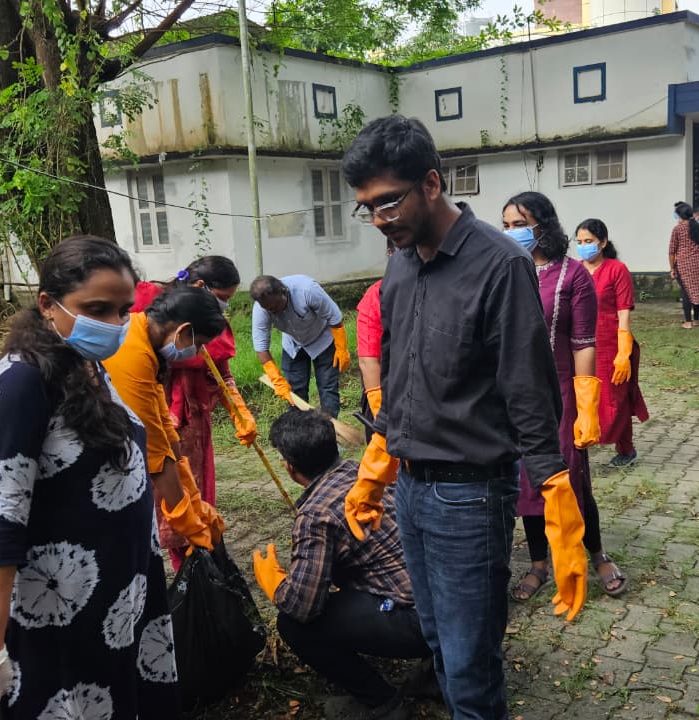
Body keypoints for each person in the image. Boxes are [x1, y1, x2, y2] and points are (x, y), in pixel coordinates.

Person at [340, 115, 587, 720]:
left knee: (471, 662)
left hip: (469, 496)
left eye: (388, 201)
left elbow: (528, 389)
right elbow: (400, 376)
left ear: (431, 182)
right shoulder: (400, 264)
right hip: (411, 491)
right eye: (367, 208)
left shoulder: (499, 265)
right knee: (437, 643)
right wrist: (376, 464)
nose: (379, 219)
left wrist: (556, 493)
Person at [0, 236, 180, 718]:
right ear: (46, 305)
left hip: (119, 592)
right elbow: (2, 512)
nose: (114, 324)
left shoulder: (86, 364)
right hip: (62, 605)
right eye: (96, 309)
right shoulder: (20, 384)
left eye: (122, 310)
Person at [252, 410, 431, 720]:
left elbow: (303, 606)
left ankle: (384, 702)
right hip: (447, 603)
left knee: (293, 625)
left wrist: (276, 585)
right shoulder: (366, 474)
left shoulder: (316, 514)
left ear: (290, 467)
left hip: (417, 621)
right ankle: (437, 672)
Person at [501, 192, 625, 602]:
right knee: (528, 480)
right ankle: (539, 563)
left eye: (520, 225)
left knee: (571, 477)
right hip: (515, 396)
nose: (512, 232)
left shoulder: (573, 276)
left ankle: (596, 553)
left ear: (544, 225)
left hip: (562, 393)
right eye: (507, 226)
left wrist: (586, 404)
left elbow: (584, 342)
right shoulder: (505, 270)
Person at [103, 284, 232, 571]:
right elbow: (153, 450)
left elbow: (162, 422)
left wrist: (193, 497)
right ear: (183, 331)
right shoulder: (133, 352)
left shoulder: (143, 337)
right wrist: (187, 521)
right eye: (199, 345)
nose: (198, 352)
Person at [131, 257, 255, 540]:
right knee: (156, 486)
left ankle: (192, 547)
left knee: (194, 485)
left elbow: (222, 373)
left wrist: (239, 411)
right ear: (200, 286)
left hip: (192, 420)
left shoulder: (211, 323)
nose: (225, 306)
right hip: (149, 409)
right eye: (223, 298)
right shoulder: (148, 308)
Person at [575, 219, 650, 469]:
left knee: (615, 397)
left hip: (610, 341)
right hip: (579, 342)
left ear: (603, 242)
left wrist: (624, 349)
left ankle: (625, 449)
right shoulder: (575, 270)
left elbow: (624, 310)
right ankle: (578, 443)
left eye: (588, 241)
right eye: (579, 242)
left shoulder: (617, 269)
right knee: (580, 395)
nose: (583, 246)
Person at [252, 274, 350, 418]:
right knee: (294, 392)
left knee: (327, 388)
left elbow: (334, 317)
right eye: (269, 309)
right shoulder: (262, 308)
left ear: (284, 292)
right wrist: (275, 378)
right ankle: (299, 428)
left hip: (322, 339)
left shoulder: (307, 290)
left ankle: (329, 427)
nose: (274, 311)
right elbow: (261, 346)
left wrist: (341, 348)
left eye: (276, 306)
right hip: (293, 344)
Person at [356, 241, 396, 437]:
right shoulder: (376, 295)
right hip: (385, 383)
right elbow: (368, 360)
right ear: (391, 253)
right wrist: (380, 413)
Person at [670, 202, 699, 329]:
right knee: (697, 290)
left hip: (684, 264)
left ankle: (688, 321)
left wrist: (671, 268)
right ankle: (696, 320)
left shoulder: (678, 229)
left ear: (680, 215)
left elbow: (672, 250)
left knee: (686, 292)